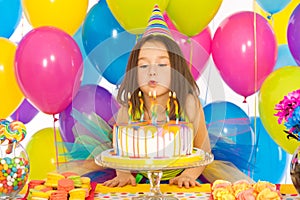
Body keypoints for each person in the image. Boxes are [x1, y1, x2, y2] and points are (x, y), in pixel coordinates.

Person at [102, 5, 211, 189]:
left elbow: (204, 151)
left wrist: (188, 175)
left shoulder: (188, 104)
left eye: (162, 65)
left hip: (181, 181)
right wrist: (124, 173)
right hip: (143, 184)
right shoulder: (129, 109)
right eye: (144, 66)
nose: (152, 72)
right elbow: (119, 153)